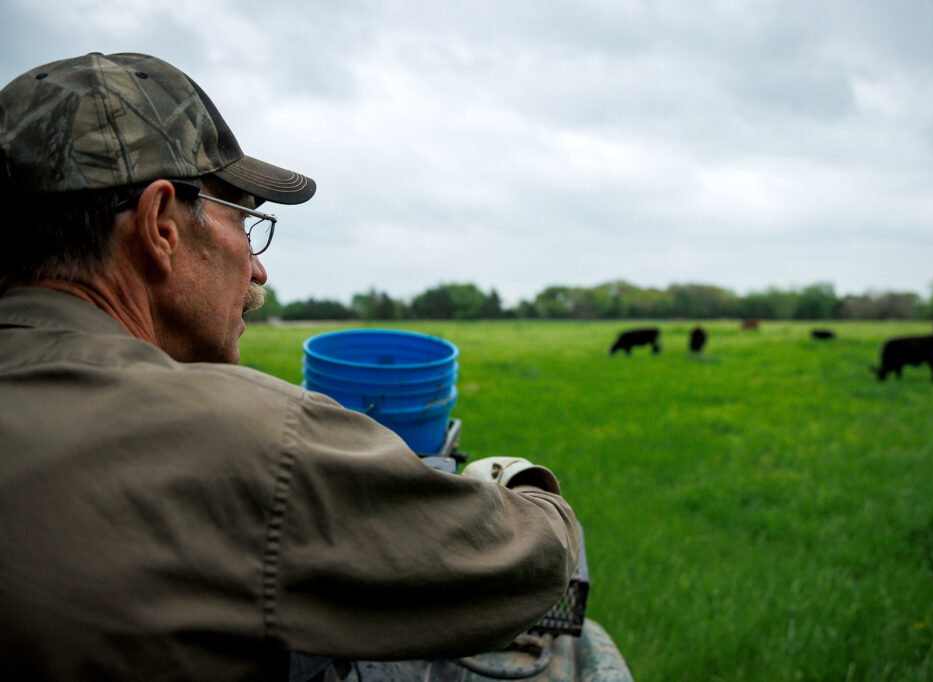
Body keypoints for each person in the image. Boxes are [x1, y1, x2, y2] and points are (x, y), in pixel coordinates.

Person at [0, 53, 580, 681]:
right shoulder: (239, 436)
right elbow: (526, 563)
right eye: (244, 221)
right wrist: (528, 490)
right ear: (160, 225)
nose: (257, 270)